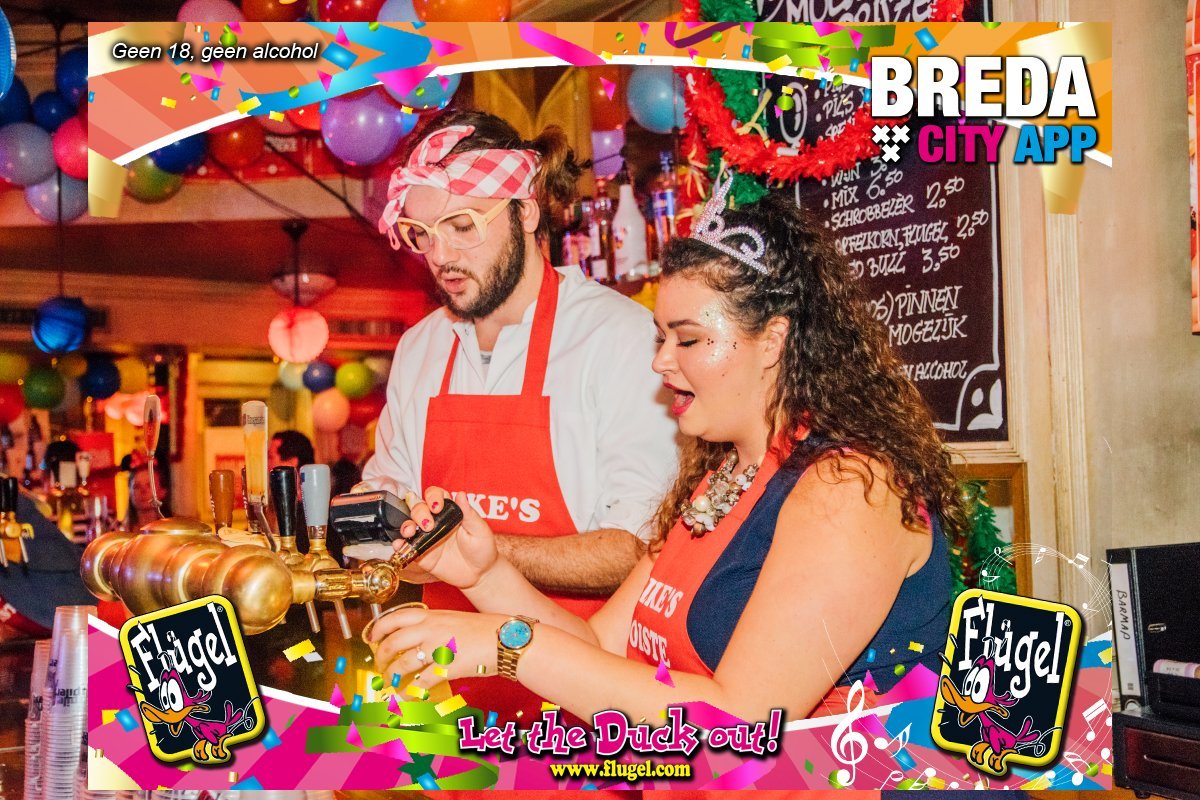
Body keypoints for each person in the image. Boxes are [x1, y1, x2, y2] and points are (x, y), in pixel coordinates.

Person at [366, 176, 964, 724]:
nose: (660, 361)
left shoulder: (849, 489)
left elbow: (743, 721)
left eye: (689, 339)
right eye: (660, 338)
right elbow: (600, 649)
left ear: (772, 341)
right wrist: (485, 574)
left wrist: (508, 648)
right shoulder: (722, 479)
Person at [358, 110, 679, 721]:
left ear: (526, 212)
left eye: (461, 226)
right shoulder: (420, 348)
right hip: (453, 700)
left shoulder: (618, 336)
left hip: (594, 706)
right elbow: (389, 509)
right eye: (422, 233)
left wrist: (475, 552)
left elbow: (639, 549)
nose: (441, 255)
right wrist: (366, 526)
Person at [269, 430, 314, 552]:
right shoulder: (272, 503)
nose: (267, 464)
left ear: (291, 463)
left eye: (271, 457)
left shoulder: (311, 511)